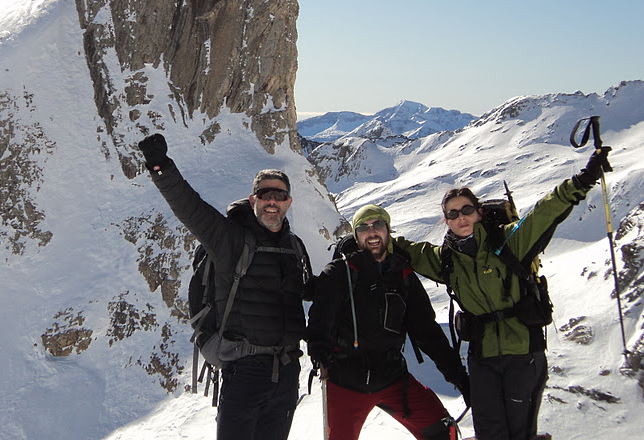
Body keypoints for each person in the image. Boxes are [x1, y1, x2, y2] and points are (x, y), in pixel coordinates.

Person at [394, 147, 612, 440]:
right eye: (454, 213)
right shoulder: (444, 259)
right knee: (489, 431)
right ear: (446, 220)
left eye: (467, 210)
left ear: (479, 212)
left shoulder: (508, 241)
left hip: (523, 352)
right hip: (482, 357)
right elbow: (403, 249)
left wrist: (583, 179)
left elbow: (544, 213)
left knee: (519, 431)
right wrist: (363, 236)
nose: (462, 218)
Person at [137, 133, 313, 440]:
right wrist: (160, 166)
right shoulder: (229, 239)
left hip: (287, 372)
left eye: (279, 195)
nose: (272, 201)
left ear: (289, 202)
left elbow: (307, 294)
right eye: (265, 194)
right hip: (244, 371)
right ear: (253, 200)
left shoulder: (294, 247)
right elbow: (190, 209)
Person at [306, 204, 469, 440]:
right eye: (363, 227)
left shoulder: (402, 274)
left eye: (378, 225)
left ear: (388, 230)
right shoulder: (339, 272)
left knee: (443, 432)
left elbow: (427, 332)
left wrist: (458, 377)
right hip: (345, 381)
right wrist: (320, 353)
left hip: (392, 377)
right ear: (356, 235)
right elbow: (319, 320)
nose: (371, 232)